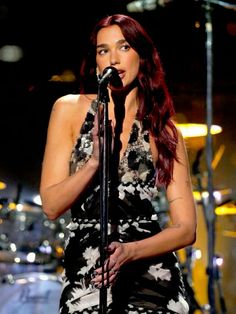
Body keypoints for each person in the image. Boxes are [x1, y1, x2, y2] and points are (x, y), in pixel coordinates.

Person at [40, 13, 197, 314]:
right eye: (103, 50)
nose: (113, 58)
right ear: (96, 62)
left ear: (143, 57)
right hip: (89, 271)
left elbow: (186, 228)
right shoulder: (68, 110)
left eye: (124, 47)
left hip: (150, 274)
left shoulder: (164, 130)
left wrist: (131, 251)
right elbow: (51, 205)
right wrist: (94, 162)